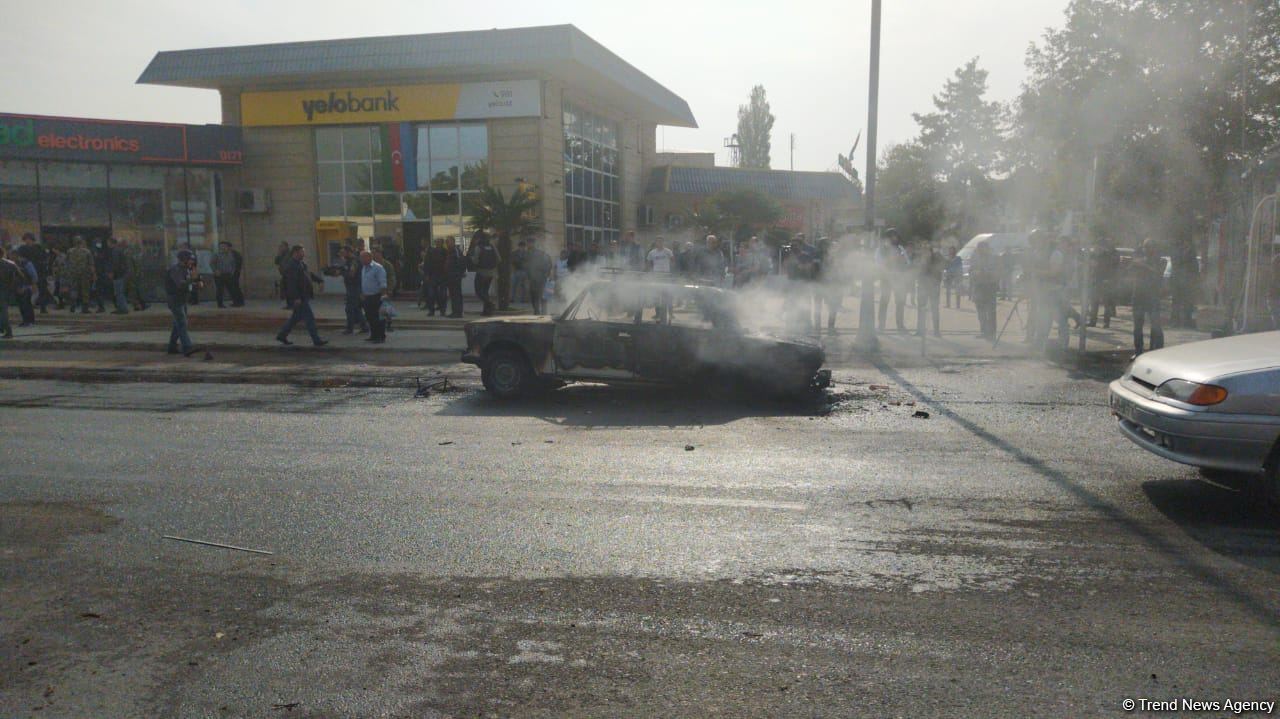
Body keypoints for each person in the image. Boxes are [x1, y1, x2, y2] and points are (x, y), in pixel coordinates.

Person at [276, 245, 329, 347]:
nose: (303, 254)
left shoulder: (301, 264)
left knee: (295, 318)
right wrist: (296, 298)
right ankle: (316, 340)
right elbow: (291, 284)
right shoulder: (291, 266)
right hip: (299, 297)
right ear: (295, 253)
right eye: (302, 252)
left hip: (303, 295)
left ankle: (282, 335)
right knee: (310, 318)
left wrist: (319, 280)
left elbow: (309, 274)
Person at [164, 249, 202, 356]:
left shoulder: (186, 269)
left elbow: (189, 284)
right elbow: (180, 284)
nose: (191, 262)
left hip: (182, 299)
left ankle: (171, 347)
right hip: (175, 299)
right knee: (182, 323)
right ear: (183, 260)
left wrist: (197, 283)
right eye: (190, 260)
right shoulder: (175, 270)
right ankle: (187, 347)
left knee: (178, 324)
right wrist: (192, 280)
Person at [1131, 238, 1165, 357]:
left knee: (1156, 326)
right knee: (1137, 326)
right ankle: (1138, 351)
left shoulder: (1160, 261)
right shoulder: (1138, 262)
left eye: (1150, 247)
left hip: (1152, 296)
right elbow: (1130, 271)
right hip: (1139, 295)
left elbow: (1158, 274)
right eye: (1145, 247)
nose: (1147, 250)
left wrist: (1143, 265)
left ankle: (1156, 351)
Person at [334, 245, 369, 335]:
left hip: (354, 287)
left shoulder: (354, 261)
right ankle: (364, 326)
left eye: (343, 252)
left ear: (348, 252)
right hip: (352, 287)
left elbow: (352, 274)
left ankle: (350, 328)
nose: (342, 254)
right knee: (356, 309)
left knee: (349, 308)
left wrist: (341, 273)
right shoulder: (348, 261)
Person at [877, 230, 908, 331]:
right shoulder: (881, 250)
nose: (895, 238)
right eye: (893, 236)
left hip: (898, 278)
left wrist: (902, 260)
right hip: (886, 278)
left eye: (896, 236)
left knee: (900, 302)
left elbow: (907, 262)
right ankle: (881, 325)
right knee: (884, 302)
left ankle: (900, 325)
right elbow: (878, 263)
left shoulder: (900, 248)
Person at [971, 241, 1000, 340]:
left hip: (990, 286)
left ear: (987, 249)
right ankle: (983, 331)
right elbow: (971, 270)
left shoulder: (993, 258)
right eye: (979, 248)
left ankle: (992, 333)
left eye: (983, 248)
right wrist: (976, 272)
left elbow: (997, 272)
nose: (981, 250)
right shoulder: (975, 257)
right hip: (978, 286)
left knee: (991, 311)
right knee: (981, 311)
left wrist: (988, 272)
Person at [467, 230, 500, 316]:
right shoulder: (492, 246)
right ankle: (487, 311)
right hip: (491, 273)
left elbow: (475, 261)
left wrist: (471, 258)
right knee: (485, 292)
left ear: (478, 238)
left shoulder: (479, 247)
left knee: (479, 291)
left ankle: (489, 303)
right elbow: (499, 259)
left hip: (481, 273)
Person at [1087, 238, 1119, 328]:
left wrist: (1109, 279)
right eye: (1095, 246)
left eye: (1098, 246)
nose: (1096, 248)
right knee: (1094, 302)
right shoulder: (1093, 255)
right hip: (1095, 280)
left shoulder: (1107, 255)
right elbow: (1090, 266)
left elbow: (1111, 269)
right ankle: (1092, 321)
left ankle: (1106, 322)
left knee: (1106, 304)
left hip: (1105, 281)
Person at [915, 244, 944, 338]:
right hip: (922, 287)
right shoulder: (921, 261)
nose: (925, 253)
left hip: (933, 287)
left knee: (934, 309)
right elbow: (917, 273)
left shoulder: (936, 261)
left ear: (931, 252)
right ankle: (920, 330)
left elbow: (940, 273)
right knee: (921, 309)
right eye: (924, 251)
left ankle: (936, 331)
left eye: (927, 251)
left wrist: (936, 284)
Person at [360, 249, 389, 343]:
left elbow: (383, 283)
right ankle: (373, 335)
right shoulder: (364, 268)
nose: (361, 259)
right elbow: (364, 282)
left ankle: (380, 336)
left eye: (363, 257)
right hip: (367, 296)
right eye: (361, 257)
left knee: (378, 317)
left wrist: (384, 295)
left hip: (377, 296)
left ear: (369, 257)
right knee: (369, 317)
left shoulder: (378, 268)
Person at [0, 246, 28, 338]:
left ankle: (7, 330)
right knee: (3, 311)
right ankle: (6, 330)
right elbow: (21, 276)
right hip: (7, 290)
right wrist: (19, 287)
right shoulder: (11, 264)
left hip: (4, 290)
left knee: (3, 312)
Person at [65, 236, 96, 314]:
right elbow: (91, 264)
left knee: (73, 289)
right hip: (84, 273)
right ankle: (85, 308)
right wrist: (93, 274)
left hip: (73, 273)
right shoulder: (87, 252)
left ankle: (72, 306)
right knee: (85, 290)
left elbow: (66, 263)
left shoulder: (69, 251)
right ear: (82, 242)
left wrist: (67, 273)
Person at [524, 235, 554, 315]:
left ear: (533, 243)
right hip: (534, 278)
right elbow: (526, 266)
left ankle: (540, 311)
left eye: (530, 243)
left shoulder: (538, 253)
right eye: (528, 243)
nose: (528, 244)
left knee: (539, 295)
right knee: (535, 295)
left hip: (539, 278)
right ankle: (538, 311)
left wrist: (547, 274)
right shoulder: (528, 253)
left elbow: (549, 264)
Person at [422, 239, 449, 316]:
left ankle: (442, 311)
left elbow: (448, 263)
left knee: (442, 294)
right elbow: (427, 263)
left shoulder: (445, 252)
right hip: (433, 275)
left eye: (439, 242)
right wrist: (427, 274)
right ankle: (431, 310)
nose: (438, 244)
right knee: (431, 294)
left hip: (442, 276)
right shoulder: (431, 252)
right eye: (436, 242)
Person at [213, 242, 243, 308]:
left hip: (229, 274)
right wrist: (215, 270)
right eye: (221, 246)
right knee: (220, 290)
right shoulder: (217, 255)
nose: (223, 248)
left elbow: (233, 264)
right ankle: (220, 304)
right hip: (219, 275)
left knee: (232, 289)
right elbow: (212, 263)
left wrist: (232, 272)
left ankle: (236, 302)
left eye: (224, 246)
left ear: (228, 247)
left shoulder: (231, 255)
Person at [105, 238, 130, 314]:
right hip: (121, 273)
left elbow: (115, 263)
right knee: (120, 291)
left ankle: (122, 308)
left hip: (118, 274)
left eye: (108, 242)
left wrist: (112, 272)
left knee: (118, 292)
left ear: (111, 243)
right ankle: (122, 307)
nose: (107, 244)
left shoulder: (115, 251)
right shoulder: (119, 250)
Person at [445, 236, 467, 318]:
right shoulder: (449, 251)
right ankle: (455, 311)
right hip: (450, 276)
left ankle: (458, 312)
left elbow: (461, 262)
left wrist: (460, 273)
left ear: (453, 242)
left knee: (456, 294)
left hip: (455, 276)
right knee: (453, 295)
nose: (447, 244)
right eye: (446, 242)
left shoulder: (456, 251)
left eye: (449, 242)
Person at [124, 240, 148, 311]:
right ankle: (140, 305)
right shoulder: (135, 254)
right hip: (135, 275)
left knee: (133, 291)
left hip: (131, 275)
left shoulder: (128, 253)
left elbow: (131, 266)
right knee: (136, 291)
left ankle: (138, 305)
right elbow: (137, 265)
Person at [273, 241, 292, 308]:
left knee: (289, 290)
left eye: (282, 246)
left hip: (289, 274)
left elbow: (288, 264)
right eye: (280, 246)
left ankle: (291, 304)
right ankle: (289, 304)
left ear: (286, 247)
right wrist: (279, 254)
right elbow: (276, 262)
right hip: (284, 274)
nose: (281, 248)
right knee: (285, 289)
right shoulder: (282, 254)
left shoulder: (289, 254)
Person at [509, 240, 528, 304]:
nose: (522, 248)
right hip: (515, 270)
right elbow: (511, 261)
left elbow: (529, 262)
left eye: (523, 246)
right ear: (519, 246)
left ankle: (524, 299)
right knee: (513, 285)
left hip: (524, 271)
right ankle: (512, 298)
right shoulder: (514, 253)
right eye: (521, 246)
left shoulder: (527, 253)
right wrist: (512, 269)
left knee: (524, 286)